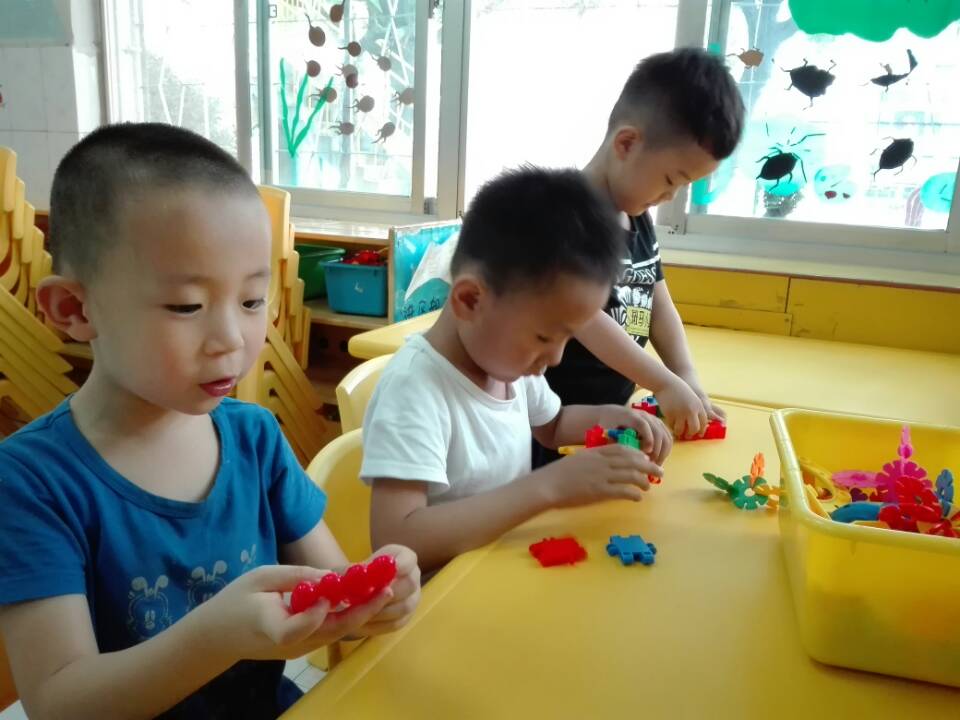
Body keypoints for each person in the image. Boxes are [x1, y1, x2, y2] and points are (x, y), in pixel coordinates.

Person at [0, 123, 420, 719]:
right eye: (187, 306)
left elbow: (334, 595)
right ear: (74, 308)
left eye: (251, 301)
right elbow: (61, 703)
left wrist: (373, 596)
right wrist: (216, 637)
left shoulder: (254, 438)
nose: (231, 339)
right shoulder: (31, 483)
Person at [362, 166, 673, 574]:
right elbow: (396, 539)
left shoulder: (510, 365)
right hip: (443, 599)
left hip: (505, 572)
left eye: (568, 338)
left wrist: (610, 417)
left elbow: (553, 425)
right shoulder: (414, 390)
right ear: (470, 300)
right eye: (544, 337)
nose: (556, 358)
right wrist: (548, 487)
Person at [536, 48, 746, 467]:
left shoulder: (637, 218)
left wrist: (686, 377)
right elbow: (584, 318)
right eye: (670, 179)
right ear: (627, 143)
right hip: (556, 424)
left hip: (614, 418)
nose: (670, 196)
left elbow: (658, 305)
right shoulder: (564, 215)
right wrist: (662, 382)